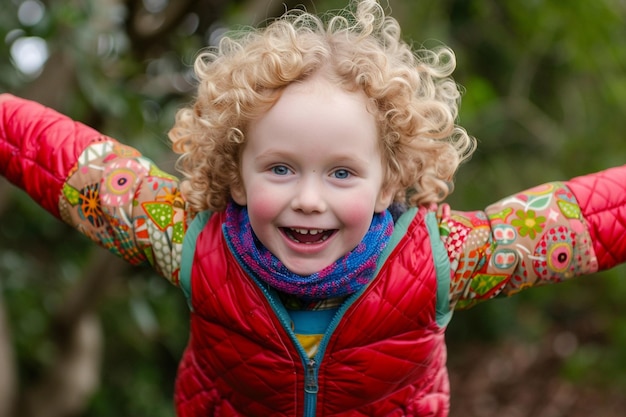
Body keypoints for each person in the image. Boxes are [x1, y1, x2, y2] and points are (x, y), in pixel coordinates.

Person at [1, 0, 625, 415]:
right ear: (237, 177)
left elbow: (577, 221)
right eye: (280, 168)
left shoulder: (440, 259)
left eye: (343, 173)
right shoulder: (195, 243)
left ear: (389, 184)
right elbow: (73, 164)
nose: (308, 198)